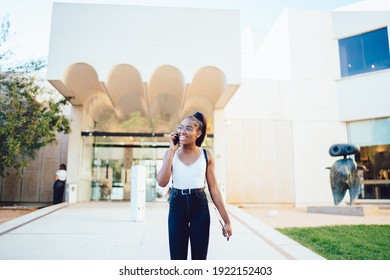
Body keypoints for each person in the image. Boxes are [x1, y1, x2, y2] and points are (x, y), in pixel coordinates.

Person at [157, 112, 232, 260]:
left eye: (188, 129)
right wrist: (172, 151)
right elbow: (162, 182)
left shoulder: (206, 155)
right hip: (177, 206)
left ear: (198, 133)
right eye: (181, 127)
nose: (183, 131)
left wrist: (227, 221)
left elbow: (214, 190)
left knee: (199, 258)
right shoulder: (171, 153)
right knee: (178, 259)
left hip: (200, 207)